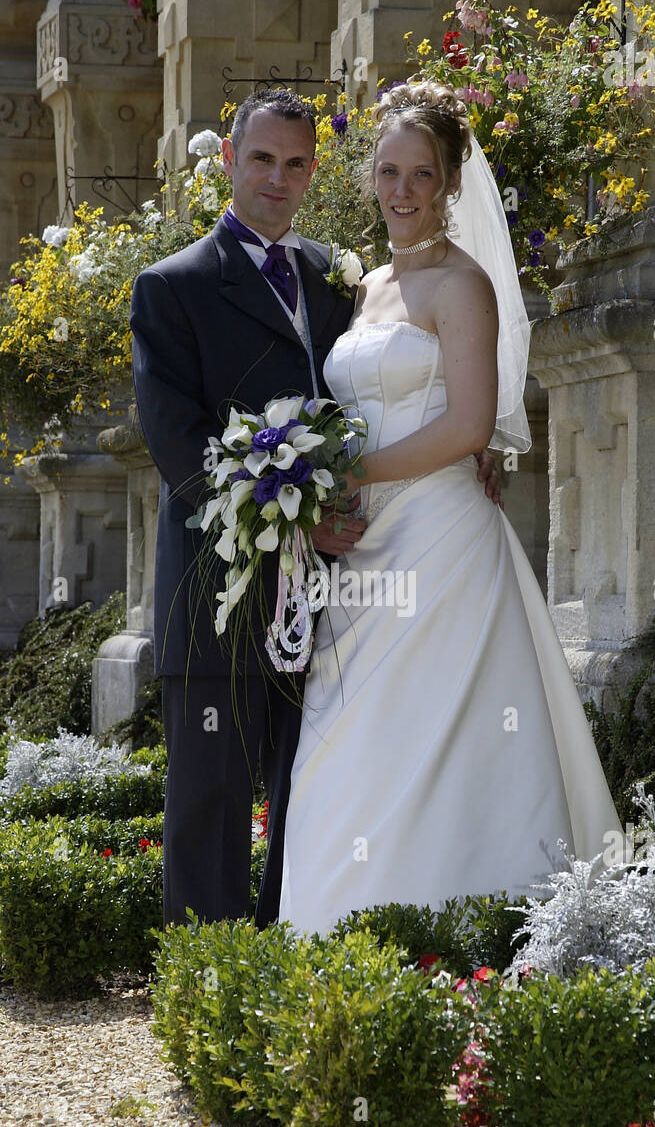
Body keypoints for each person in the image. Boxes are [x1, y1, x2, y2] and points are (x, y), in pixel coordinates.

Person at [130, 87, 502, 930]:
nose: (278, 177)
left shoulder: (341, 280)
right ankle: (208, 984)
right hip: (217, 584)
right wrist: (292, 517)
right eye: (261, 158)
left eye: (297, 162)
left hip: (343, 586)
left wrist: (469, 446)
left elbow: (388, 387)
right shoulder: (171, 287)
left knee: (314, 785)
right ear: (229, 161)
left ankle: (288, 953)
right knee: (210, 796)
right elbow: (178, 445)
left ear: (315, 170)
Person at [278, 81, 624, 936]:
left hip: (438, 534)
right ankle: (331, 938)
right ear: (369, 178)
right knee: (348, 733)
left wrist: (350, 475)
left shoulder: (462, 286)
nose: (401, 191)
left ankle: (465, 929)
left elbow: (469, 423)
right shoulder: (363, 288)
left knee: (437, 728)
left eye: (420, 176)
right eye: (388, 172)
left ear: (448, 185)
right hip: (361, 546)